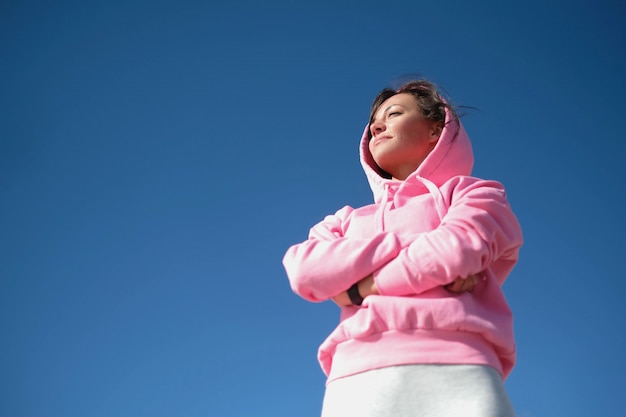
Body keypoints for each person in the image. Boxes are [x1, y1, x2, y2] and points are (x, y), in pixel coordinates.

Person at [282, 79, 523, 417]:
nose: (376, 125)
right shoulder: (343, 220)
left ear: (436, 130)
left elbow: (455, 250)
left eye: (394, 113)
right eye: (374, 121)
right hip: (354, 378)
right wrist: (423, 249)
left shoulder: (476, 194)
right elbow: (304, 269)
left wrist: (359, 289)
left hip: (458, 367)